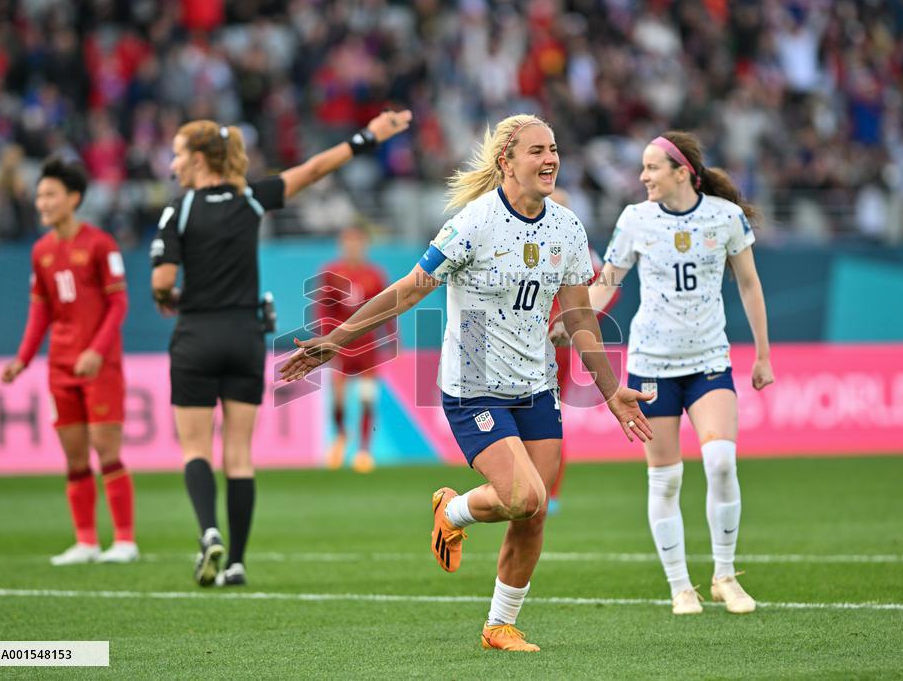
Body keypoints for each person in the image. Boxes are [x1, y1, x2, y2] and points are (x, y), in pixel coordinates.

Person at [280, 114, 653, 651]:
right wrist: (337, 339)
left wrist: (611, 390)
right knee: (524, 495)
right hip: (473, 385)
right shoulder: (473, 223)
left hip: (536, 384)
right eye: (536, 151)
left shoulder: (568, 228)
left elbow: (578, 318)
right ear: (507, 161)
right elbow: (411, 289)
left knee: (533, 511)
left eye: (553, 148)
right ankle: (452, 512)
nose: (550, 159)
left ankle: (498, 623)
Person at [150, 110, 412, 587]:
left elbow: (162, 282)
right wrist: (365, 137)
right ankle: (237, 563)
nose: (173, 165)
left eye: (178, 155)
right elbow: (313, 169)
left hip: (197, 335)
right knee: (239, 456)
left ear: (199, 159)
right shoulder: (251, 198)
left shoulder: (180, 209)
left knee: (195, 449)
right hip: (245, 336)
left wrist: (170, 297)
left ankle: (209, 532)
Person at [553, 130, 774, 615]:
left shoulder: (726, 217)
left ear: (682, 172)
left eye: (652, 167)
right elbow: (607, 282)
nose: (643, 176)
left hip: (709, 360)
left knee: (721, 462)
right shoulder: (636, 219)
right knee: (666, 478)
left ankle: (725, 576)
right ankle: (680, 587)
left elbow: (750, 284)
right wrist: (575, 322)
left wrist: (762, 354)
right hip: (651, 365)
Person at [1, 155, 137, 566]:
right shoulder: (41, 251)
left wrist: (96, 350)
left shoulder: (101, 244)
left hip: (100, 364)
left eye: (50, 195)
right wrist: (23, 359)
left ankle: (125, 541)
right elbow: (40, 311)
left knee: (106, 449)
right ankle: (86, 541)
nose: (41, 202)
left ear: (73, 198)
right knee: (75, 456)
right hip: (60, 366)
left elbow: (119, 304)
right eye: (39, 195)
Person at [543, 187, 616, 515]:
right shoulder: (521, 237)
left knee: (548, 417)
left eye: (564, 208)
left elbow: (607, 285)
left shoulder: (576, 244)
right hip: (519, 340)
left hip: (554, 344)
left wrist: (576, 322)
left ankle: (550, 492)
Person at [315, 226, 392, 473]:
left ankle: (364, 451)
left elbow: (387, 308)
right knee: (338, 399)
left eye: (357, 243)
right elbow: (324, 308)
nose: (353, 247)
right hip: (340, 345)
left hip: (367, 345)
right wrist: (324, 338)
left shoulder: (375, 275)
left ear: (365, 245)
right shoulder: (331, 273)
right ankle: (340, 434)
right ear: (342, 245)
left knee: (367, 398)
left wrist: (392, 338)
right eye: (348, 243)